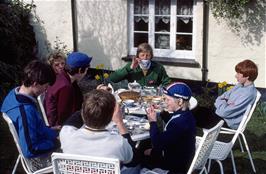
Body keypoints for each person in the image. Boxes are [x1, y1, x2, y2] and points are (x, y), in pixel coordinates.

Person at [1, 60, 59, 171]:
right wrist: (56, 142)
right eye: (45, 87)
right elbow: (30, 149)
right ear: (35, 84)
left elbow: (33, 128)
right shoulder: (25, 111)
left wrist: (50, 130)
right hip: (39, 158)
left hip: (39, 138)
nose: (46, 91)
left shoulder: (14, 94)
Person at [60, 89, 137, 173]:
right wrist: (119, 122)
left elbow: (72, 120)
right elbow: (132, 161)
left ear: (83, 112)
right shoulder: (119, 143)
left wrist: (91, 102)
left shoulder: (67, 135)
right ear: (112, 115)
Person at [143, 82, 196, 173]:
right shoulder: (186, 115)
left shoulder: (178, 123)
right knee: (147, 151)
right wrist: (163, 112)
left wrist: (152, 122)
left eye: (167, 100)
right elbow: (173, 125)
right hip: (182, 157)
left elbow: (157, 144)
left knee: (140, 153)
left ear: (180, 101)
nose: (165, 102)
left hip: (174, 166)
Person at [193, 59, 258, 129]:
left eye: (238, 73)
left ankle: (185, 137)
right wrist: (225, 102)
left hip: (227, 122)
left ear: (247, 76)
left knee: (190, 116)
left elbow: (224, 112)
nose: (236, 76)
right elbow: (220, 98)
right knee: (195, 110)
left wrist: (224, 101)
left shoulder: (248, 94)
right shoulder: (239, 85)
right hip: (219, 115)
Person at [45, 51, 92, 127]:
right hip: (61, 129)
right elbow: (65, 118)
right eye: (87, 69)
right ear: (80, 70)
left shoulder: (65, 78)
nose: (86, 72)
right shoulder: (65, 87)